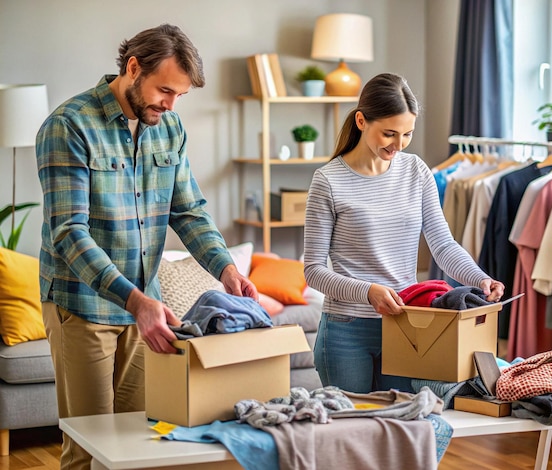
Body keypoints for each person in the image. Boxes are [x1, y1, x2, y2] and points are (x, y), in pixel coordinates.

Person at [35, 24, 257, 470]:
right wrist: (137, 302)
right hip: (83, 307)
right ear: (133, 68)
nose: (171, 105)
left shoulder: (168, 128)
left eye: (179, 96)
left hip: (144, 310)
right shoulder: (69, 125)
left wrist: (226, 269)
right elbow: (69, 234)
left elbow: (189, 211)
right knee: (88, 447)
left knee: (142, 442)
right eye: (164, 90)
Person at [303, 73, 504, 394]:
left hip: (407, 326)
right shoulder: (328, 180)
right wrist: (368, 292)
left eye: (407, 134)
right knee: (353, 435)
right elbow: (313, 271)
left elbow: (443, 245)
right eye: (389, 134)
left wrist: (480, 279)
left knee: (404, 429)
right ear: (361, 121)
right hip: (346, 330)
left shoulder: (416, 171)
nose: (398, 145)